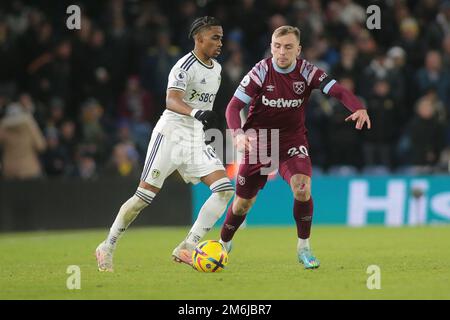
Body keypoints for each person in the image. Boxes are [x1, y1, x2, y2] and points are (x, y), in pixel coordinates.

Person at [219, 26, 371, 269]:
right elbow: (233, 107)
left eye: (288, 47)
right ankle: (223, 244)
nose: (282, 52)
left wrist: (357, 106)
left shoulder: (308, 72)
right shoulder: (260, 71)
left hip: (292, 140)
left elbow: (339, 90)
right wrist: (237, 134)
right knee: (242, 204)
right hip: (260, 141)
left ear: (298, 50)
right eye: (277, 46)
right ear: (271, 47)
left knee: (302, 188)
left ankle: (304, 248)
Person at [95, 16, 234, 272]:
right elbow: (171, 100)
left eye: (221, 37)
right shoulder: (183, 66)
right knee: (142, 198)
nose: (220, 42)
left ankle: (188, 246)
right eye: (215, 37)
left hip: (194, 137)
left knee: (224, 189)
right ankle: (107, 246)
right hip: (170, 133)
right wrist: (194, 113)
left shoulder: (216, 68)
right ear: (199, 38)